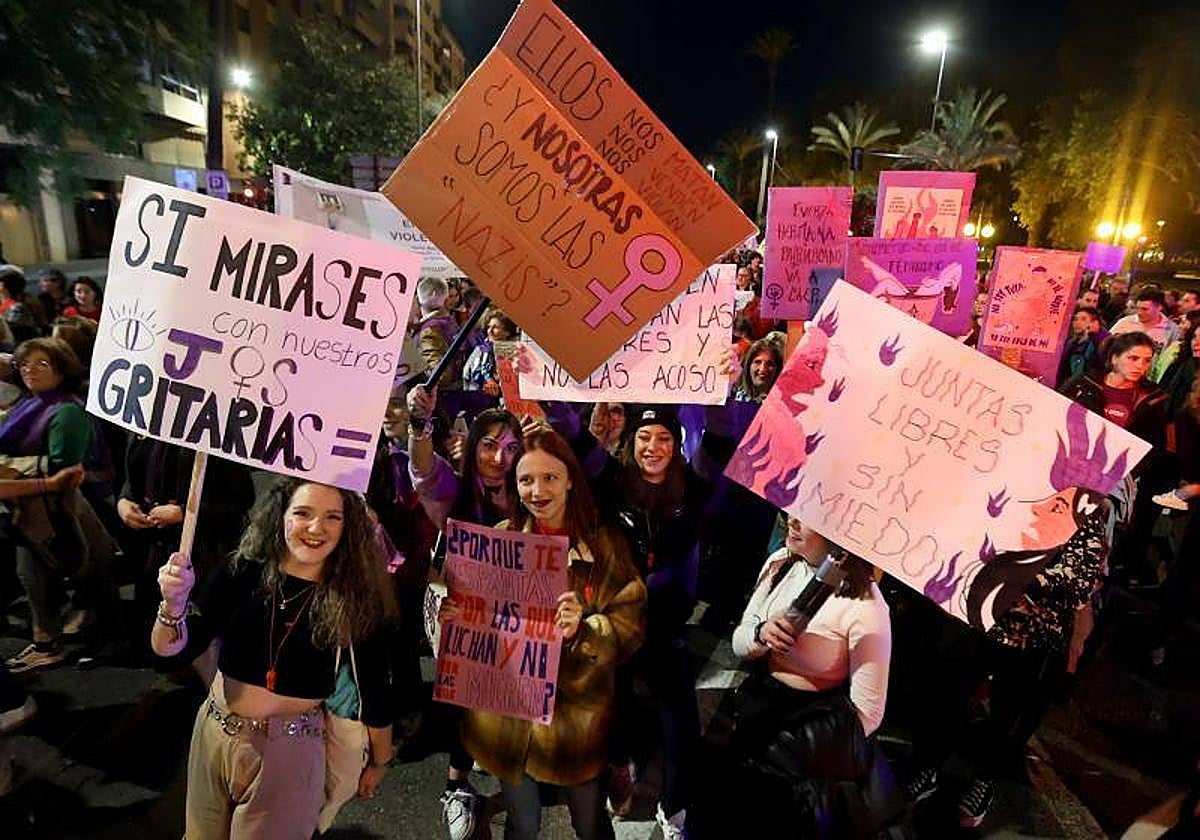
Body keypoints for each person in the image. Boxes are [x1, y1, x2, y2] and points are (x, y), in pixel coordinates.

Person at [152, 477, 398, 839]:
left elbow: (374, 690)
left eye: (333, 517)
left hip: (289, 754)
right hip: (213, 735)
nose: (316, 528)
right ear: (281, 515)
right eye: (303, 513)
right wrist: (172, 607)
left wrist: (380, 760)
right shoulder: (242, 570)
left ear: (349, 527)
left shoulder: (355, 596)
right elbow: (172, 653)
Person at [439, 429, 646, 840]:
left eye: (549, 478)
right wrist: (457, 615)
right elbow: (482, 626)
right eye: (526, 480)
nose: (537, 490)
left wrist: (586, 630)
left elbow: (631, 623)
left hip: (575, 728)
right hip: (509, 724)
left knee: (589, 824)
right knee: (523, 824)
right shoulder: (500, 541)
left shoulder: (603, 546)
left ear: (570, 479)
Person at [546, 402, 733, 837]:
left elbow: (720, 442)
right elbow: (575, 436)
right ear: (632, 442)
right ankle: (621, 764)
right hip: (615, 623)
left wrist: (720, 391)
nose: (654, 446)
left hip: (666, 626)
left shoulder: (693, 484)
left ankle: (676, 807)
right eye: (645, 437)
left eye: (665, 438)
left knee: (679, 719)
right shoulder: (614, 482)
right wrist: (549, 394)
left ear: (676, 446)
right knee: (615, 706)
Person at [716, 516, 899, 836]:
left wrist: (796, 745)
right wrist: (762, 634)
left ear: (838, 529)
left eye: (810, 517)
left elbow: (868, 714)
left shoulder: (867, 606)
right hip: (757, 709)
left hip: (811, 735)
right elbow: (739, 643)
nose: (792, 522)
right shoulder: (780, 563)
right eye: (791, 512)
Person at [407, 383, 528, 839]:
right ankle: (457, 788)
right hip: (459, 617)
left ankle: (512, 776)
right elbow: (423, 473)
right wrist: (421, 426)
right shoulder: (455, 493)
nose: (500, 458)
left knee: (509, 699)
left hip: (514, 622)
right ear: (474, 446)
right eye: (491, 446)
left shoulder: (527, 491)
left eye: (512, 448)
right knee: (465, 700)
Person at [0, 338, 102, 671]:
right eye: (25, 363)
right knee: (37, 574)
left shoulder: (66, 410)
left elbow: (65, 468)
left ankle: (49, 642)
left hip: (51, 508)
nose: (30, 369)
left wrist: (8, 466)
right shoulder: (33, 402)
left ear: (62, 368)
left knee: (40, 572)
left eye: (42, 363)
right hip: (29, 506)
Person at [462, 308, 518, 394]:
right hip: (480, 397)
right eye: (489, 327)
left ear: (507, 332)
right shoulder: (480, 350)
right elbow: (467, 374)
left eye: (495, 327)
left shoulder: (515, 351)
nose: (490, 331)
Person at [1110, 286, 1180, 354]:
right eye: (1137, 308)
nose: (1139, 312)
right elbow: (1107, 344)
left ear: (1159, 307)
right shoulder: (1124, 322)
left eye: (1144, 309)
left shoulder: (1172, 330)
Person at [1056, 306, 1105, 387]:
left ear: (1094, 323)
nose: (1077, 323)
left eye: (1083, 319)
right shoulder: (1070, 342)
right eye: (1075, 319)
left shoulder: (1098, 344)